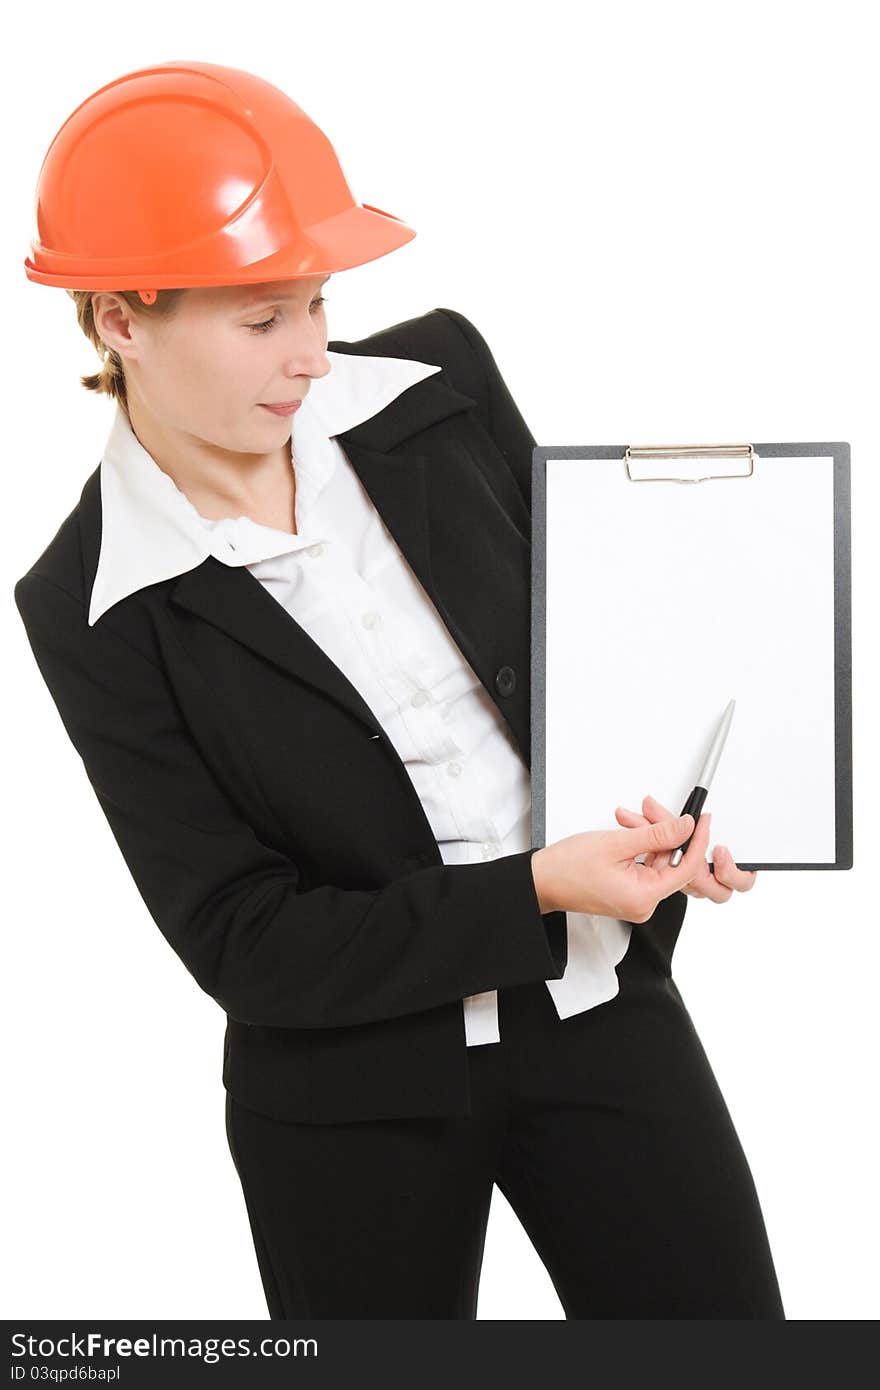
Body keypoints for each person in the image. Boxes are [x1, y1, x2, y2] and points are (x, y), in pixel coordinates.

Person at [15, 60, 785, 1319]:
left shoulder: (439, 382)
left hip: (599, 1000)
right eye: (261, 320)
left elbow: (590, 653)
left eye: (318, 302)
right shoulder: (88, 602)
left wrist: (674, 820)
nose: (311, 354)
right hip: (345, 1108)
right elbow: (246, 941)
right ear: (118, 318)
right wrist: (535, 886)